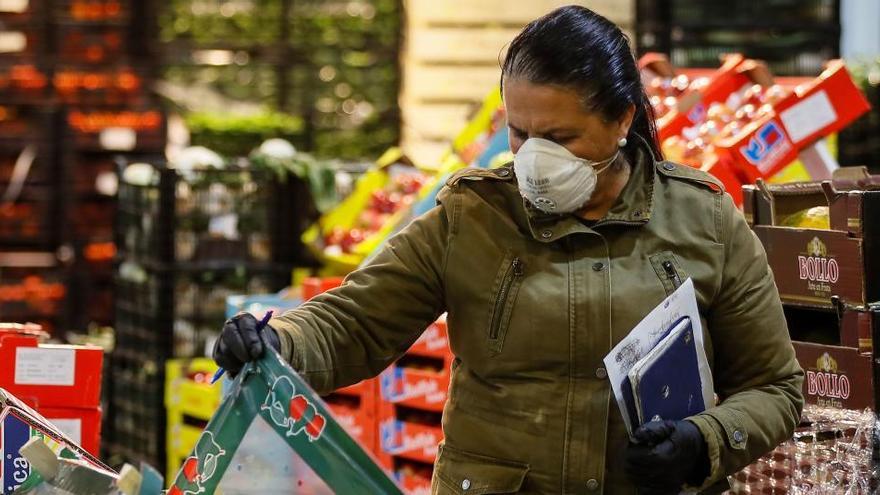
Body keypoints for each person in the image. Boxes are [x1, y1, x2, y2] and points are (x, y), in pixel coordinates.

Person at [214, 6, 803, 494]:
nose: (533, 157)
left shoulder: (704, 217)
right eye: (519, 134)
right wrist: (278, 340)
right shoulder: (472, 216)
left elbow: (775, 389)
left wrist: (702, 441)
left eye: (560, 137)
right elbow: (357, 320)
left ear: (622, 118)